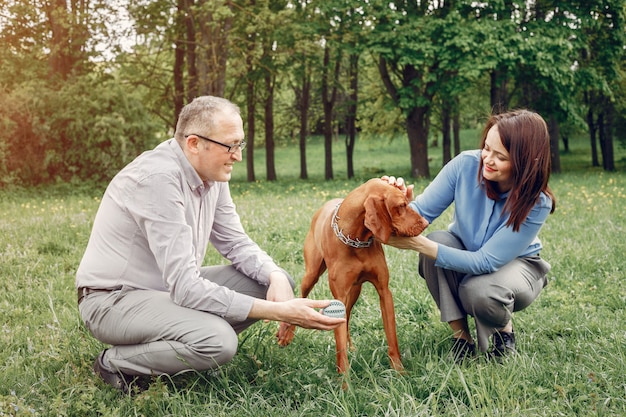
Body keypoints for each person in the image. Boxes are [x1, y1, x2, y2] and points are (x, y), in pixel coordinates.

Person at [76, 96, 345, 393]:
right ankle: (114, 362)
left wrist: (276, 276)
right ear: (194, 143)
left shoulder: (211, 174)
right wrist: (278, 311)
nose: (237, 156)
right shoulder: (157, 179)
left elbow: (236, 242)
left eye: (240, 144)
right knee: (219, 343)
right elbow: (185, 286)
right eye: (230, 145)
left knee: (266, 281)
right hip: (112, 301)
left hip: (165, 290)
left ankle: (179, 342)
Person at [383, 109, 555, 363]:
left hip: (517, 266)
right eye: (487, 148)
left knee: (478, 291)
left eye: (501, 156)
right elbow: (420, 215)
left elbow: (487, 262)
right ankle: (462, 338)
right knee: (438, 242)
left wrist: (420, 245)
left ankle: (503, 331)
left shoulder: (537, 202)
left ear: (525, 162)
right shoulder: (465, 165)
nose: (488, 159)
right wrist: (398, 204)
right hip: (466, 249)